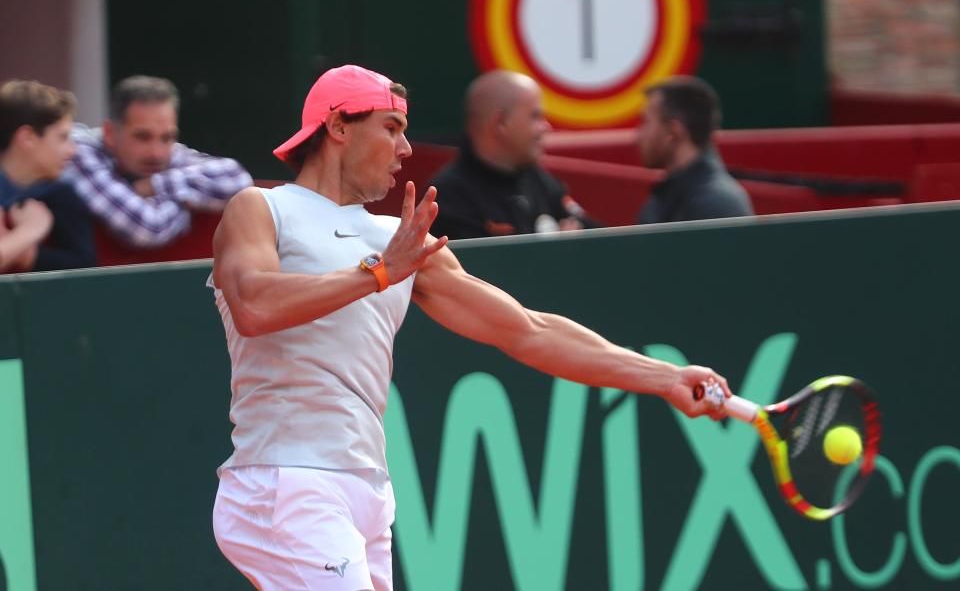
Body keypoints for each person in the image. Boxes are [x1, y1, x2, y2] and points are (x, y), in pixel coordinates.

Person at [209, 64, 731, 591]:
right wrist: (378, 273)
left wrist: (663, 377)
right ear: (339, 126)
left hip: (363, 491)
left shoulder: (398, 241)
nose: (406, 148)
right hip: (285, 481)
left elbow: (528, 330)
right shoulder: (263, 208)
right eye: (391, 128)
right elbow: (254, 306)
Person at [63, 75, 253, 248]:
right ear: (110, 134)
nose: (157, 153)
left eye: (167, 137)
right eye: (142, 137)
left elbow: (238, 179)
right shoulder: (76, 151)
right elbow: (148, 228)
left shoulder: (168, 154)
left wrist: (154, 185)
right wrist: (186, 202)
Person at [428, 70, 595, 239]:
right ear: (501, 122)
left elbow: (594, 234)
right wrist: (560, 253)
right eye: (535, 116)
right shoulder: (449, 198)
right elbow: (479, 264)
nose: (545, 126)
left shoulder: (537, 179)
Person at [0, 80, 95, 272]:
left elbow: (85, 268)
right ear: (27, 138)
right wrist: (31, 230)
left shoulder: (63, 197)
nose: (72, 150)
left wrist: (29, 256)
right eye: (62, 137)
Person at [636, 76, 754, 223]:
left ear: (673, 132)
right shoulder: (666, 198)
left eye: (646, 122)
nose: (638, 135)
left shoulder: (716, 204)